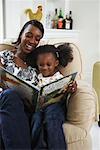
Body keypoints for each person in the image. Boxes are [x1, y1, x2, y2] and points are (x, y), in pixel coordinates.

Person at [0, 19, 44, 149]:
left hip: (26, 109)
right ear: (21, 35)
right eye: (29, 35)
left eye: (37, 38)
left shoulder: (37, 67)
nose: (32, 41)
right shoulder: (4, 56)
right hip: (5, 101)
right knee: (11, 95)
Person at [30, 44, 75, 149]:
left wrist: (71, 89)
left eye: (48, 64)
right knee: (36, 120)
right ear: (37, 64)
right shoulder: (36, 77)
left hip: (56, 106)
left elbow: (67, 91)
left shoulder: (59, 77)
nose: (45, 68)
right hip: (39, 108)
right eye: (41, 65)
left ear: (56, 63)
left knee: (51, 117)